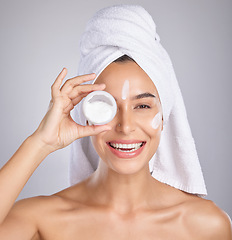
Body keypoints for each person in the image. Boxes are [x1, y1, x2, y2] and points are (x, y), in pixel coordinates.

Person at [0, 5, 231, 240]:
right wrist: (41, 142)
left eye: (142, 106)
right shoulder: (42, 222)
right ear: (85, 114)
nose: (125, 126)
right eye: (106, 105)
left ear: (163, 117)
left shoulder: (206, 226)